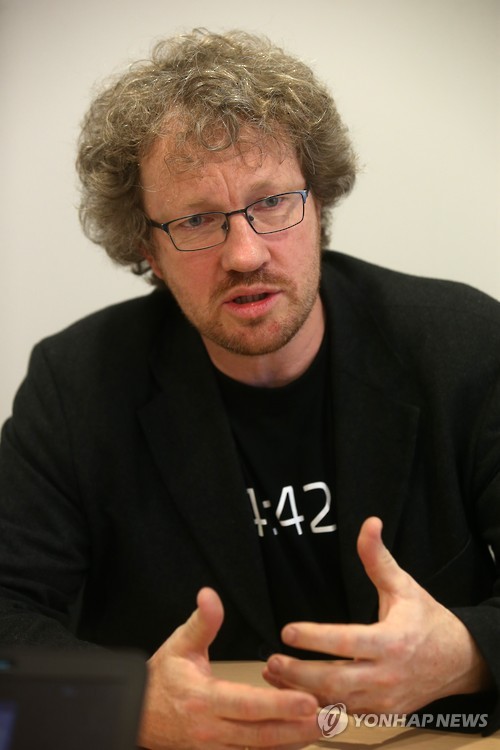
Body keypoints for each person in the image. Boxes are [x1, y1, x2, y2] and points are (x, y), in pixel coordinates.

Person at [1, 28, 499, 750]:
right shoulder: (75, 386)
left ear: (319, 205)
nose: (244, 253)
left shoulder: (466, 347)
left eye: (272, 202)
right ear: (148, 250)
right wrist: (128, 704)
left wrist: (470, 653)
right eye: (196, 220)